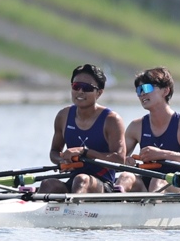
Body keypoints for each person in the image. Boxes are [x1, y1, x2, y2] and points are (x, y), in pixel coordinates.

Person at [43, 64, 127, 193]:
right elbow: (54, 151)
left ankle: (73, 205)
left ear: (99, 93)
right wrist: (61, 161)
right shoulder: (63, 116)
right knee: (48, 184)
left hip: (103, 184)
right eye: (76, 86)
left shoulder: (111, 120)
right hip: (74, 180)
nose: (80, 91)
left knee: (82, 180)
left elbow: (120, 160)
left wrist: (84, 152)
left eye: (87, 88)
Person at [123, 66, 180, 191]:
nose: (142, 94)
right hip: (145, 184)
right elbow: (117, 157)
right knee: (125, 177)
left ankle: (152, 202)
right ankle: (114, 200)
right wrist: (125, 161)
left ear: (166, 91)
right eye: (139, 90)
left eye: (147, 88)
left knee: (158, 180)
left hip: (175, 185)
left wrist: (162, 154)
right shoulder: (136, 126)